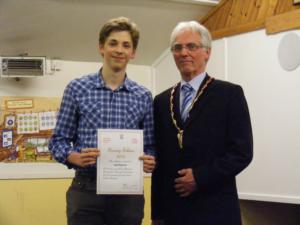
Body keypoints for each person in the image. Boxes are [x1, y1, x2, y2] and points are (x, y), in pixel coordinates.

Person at [49, 17, 156, 225]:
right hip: (86, 189)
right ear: (101, 47)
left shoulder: (143, 95)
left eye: (126, 45)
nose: (119, 50)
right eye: (113, 43)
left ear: (133, 53)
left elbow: (151, 145)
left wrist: (150, 159)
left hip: (128, 193)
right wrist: (73, 157)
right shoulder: (77, 89)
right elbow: (57, 141)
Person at [151, 21, 253, 225]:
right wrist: (157, 214)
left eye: (192, 46)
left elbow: (241, 153)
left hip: (216, 210)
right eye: (178, 48)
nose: (184, 53)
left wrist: (200, 177)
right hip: (174, 211)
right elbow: (159, 162)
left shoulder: (229, 94)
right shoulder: (161, 101)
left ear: (207, 52)